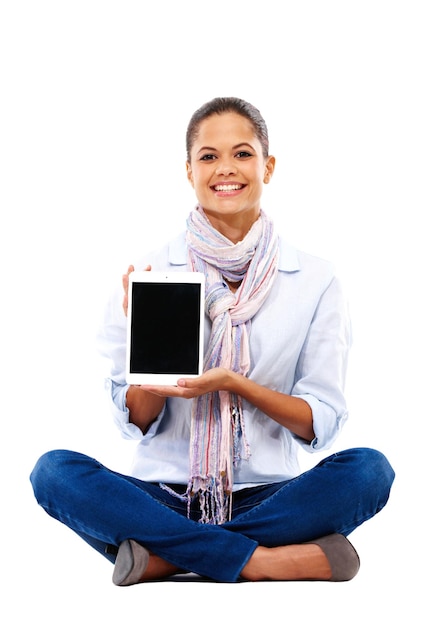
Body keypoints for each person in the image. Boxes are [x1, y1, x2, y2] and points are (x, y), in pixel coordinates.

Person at [30, 96, 395, 585]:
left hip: (268, 493)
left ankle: (167, 556)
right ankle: (265, 560)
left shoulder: (316, 278)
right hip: (163, 493)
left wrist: (237, 385)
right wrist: (149, 366)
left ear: (268, 165)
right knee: (53, 473)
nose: (226, 168)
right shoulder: (153, 270)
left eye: (242, 154)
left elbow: (320, 422)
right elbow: (133, 422)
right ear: (188, 171)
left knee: (369, 471)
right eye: (208, 156)